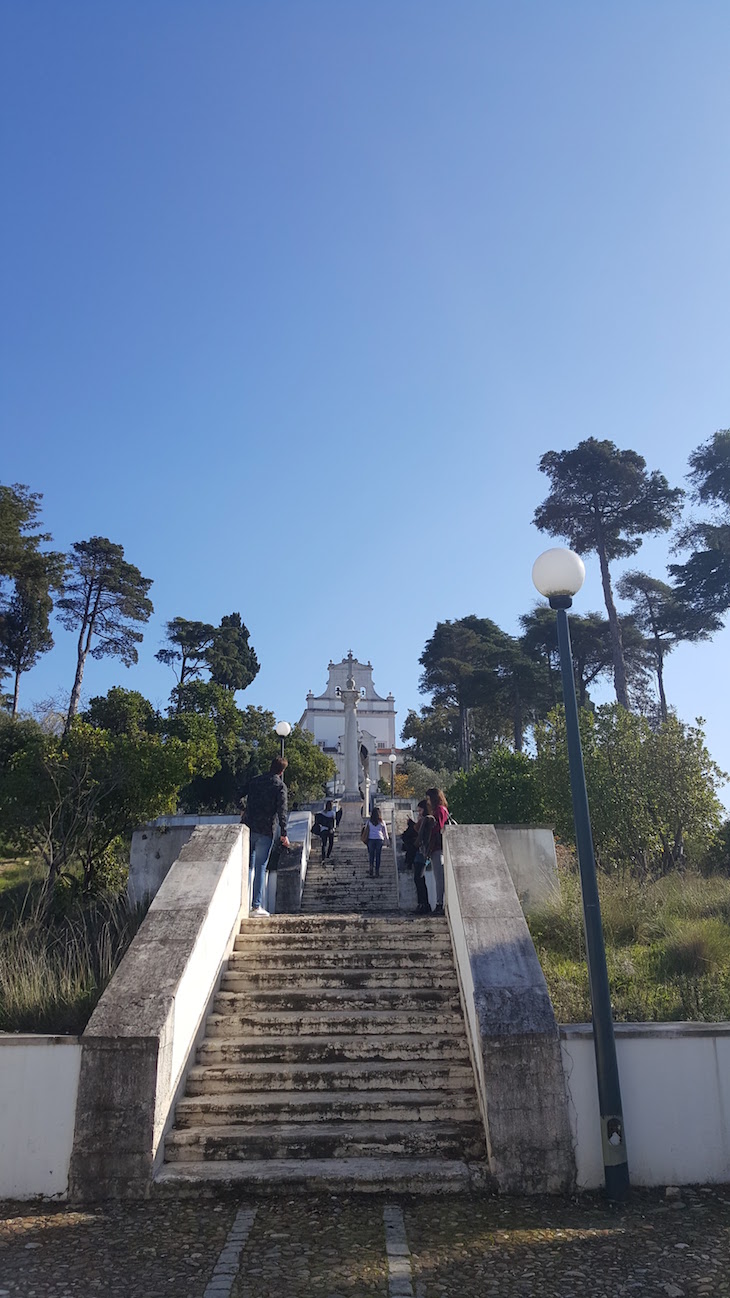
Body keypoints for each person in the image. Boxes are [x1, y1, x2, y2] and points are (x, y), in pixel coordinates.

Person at [241, 757, 290, 917]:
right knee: (260, 867)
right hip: (266, 829)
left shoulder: (255, 781)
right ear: (282, 771)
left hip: (248, 826)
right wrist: (284, 834)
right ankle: (255, 906)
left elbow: (237, 794)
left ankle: (243, 900)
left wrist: (243, 809)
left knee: (248, 866)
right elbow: (282, 812)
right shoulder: (280, 786)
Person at [425, 786, 449, 916]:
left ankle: (440, 904)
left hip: (437, 847)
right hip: (436, 847)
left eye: (428, 798)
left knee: (439, 877)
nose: (427, 801)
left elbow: (438, 827)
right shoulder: (440, 809)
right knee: (438, 877)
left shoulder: (439, 810)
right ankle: (440, 903)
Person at [413, 797, 434, 915]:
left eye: (420, 811)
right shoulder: (424, 820)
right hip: (420, 852)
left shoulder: (427, 820)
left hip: (423, 852)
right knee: (418, 878)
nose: (419, 813)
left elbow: (421, 834)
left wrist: (417, 822)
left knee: (419, 878)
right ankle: (422, 903)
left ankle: (424, 904)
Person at [365, 805, 389, 878]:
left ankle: (371, 868)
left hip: (371, 839)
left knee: (371, 855)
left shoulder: (369, 822)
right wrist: (387, 840)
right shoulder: (382, 822)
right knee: (378, 855)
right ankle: (377, 871)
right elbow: (385, 832)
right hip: (379, 839)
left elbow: (366, 830)